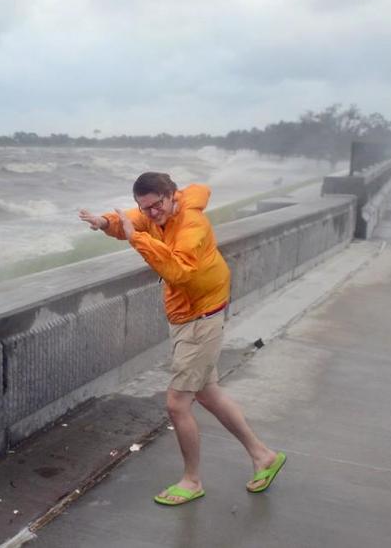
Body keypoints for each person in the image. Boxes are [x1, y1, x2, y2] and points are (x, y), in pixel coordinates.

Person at [78, 171, 285, 506]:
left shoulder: (192, 224)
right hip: (189, 314)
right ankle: (264, 456)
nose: (151, 213)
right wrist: (106, 222)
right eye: (144, 208)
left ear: (171, 194)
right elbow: (131, 221)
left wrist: (137, 239)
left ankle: (191, 480)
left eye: (156, 205)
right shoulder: (156, 215)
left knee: (177, 404)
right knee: (208, 394)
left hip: (200, 318)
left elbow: (178, 269)